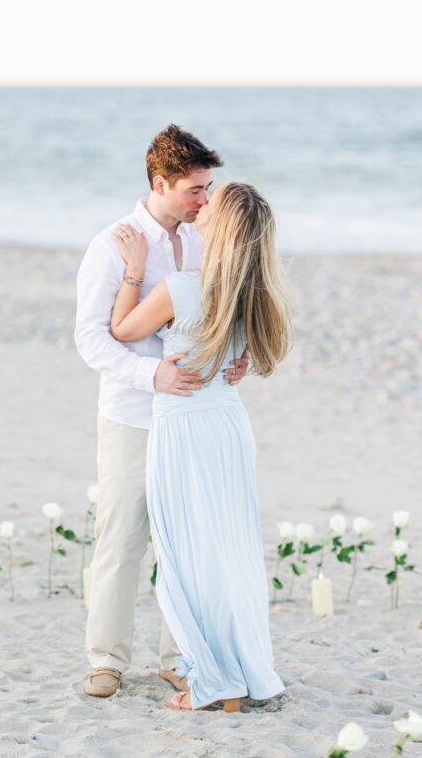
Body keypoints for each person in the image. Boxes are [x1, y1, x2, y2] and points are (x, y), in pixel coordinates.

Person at [74, 125, 249, 699]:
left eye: (208, 188)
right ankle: (106, 660)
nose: (204, 200)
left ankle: (181, 657)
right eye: (195, 189)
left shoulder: (205, 241)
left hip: (192, 416)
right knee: (122, 538)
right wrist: (154, 374)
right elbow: (92, 341)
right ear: (161, 183)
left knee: (187, 539)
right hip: (132, 413)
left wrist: (236, 355)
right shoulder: (113, 244)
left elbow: (216, 314)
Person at [110, 181, 291, 711]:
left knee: (188, 554)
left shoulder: (183, 288)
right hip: (229, 428)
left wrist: (134, 271)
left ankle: (216, 682)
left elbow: (121, 330)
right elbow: (255, 358)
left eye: (213, 199)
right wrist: (237, 365)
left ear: (222, 224)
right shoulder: (256, 294)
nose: (202, 202)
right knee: (230, 553)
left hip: (185, 428)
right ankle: (238, 673)